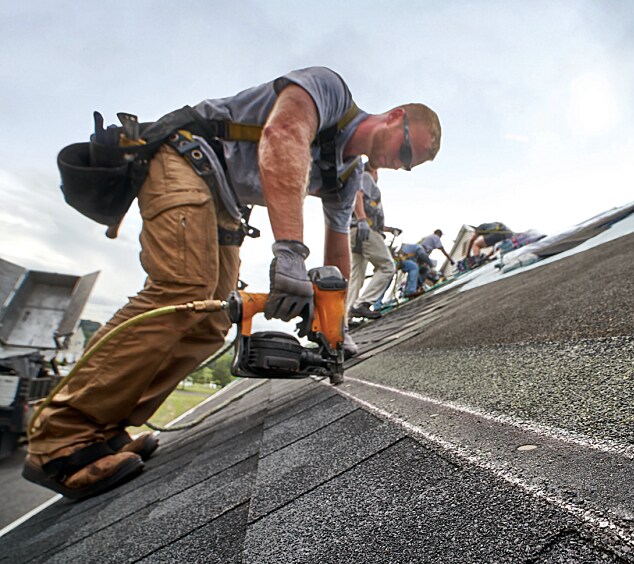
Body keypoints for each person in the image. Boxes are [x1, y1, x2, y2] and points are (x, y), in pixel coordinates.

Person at [24, 66, 441, 500]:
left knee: (211, 320)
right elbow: (283, 137)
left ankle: (102, 427)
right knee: (183, 289)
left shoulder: (348, 175)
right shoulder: (328, 90)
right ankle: (59, 440)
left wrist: (334, 327)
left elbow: (337, 255)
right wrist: (290, 257)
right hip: (185, 158)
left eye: (413, 165)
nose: (404, 165)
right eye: (409, 152)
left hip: (224, 199)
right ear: (395, 117)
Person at [347, 162, 403, 320]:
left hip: (354, 231)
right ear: (373, 170)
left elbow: (369, 212)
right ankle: (362, 304)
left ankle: (346, 317)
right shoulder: (366, 177)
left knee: (356, 275)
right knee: (387, 266)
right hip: (364, 231)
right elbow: (357, 195)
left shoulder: (363, 180)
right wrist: (362, 220)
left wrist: (389, 229)